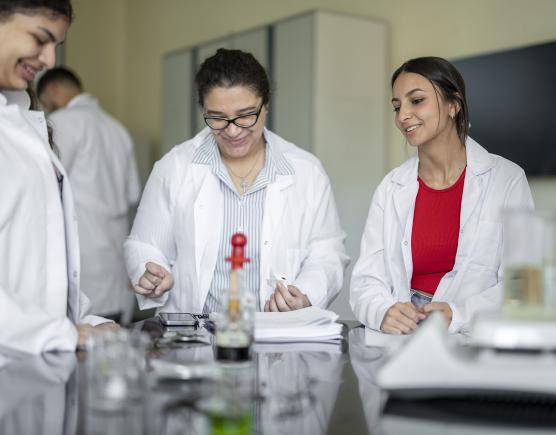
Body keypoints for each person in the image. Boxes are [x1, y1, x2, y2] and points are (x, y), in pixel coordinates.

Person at [125, 48, 349, 314]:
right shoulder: (175, 167)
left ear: (266, 105)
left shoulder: (306, 171)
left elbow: (327, 252)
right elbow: (144, 244)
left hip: (277, 337)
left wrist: (305, 294)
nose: (232, 130)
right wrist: (150, 270)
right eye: (217, 118)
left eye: (245, 115)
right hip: (195, 339)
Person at [350, 57, 534, 335]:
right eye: (397, 107)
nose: (402, 116)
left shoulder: (506, 179)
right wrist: (383, 311)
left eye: (417, 100)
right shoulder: (392, 187)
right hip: (403, 334)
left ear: (453, 104)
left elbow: (522, 283)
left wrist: (457, 315)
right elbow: (366, 281)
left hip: (473, 336)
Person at [0, 0, 117, 354]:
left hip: (36, 363)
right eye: (40, 38)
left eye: (56, 46)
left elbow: (39, 253)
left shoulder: (23, 120)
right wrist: (64, 334)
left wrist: (85, 320)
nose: (50, 60)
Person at [36, 67, 141, 322]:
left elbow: (45, 186)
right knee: (112, 341)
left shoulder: (61, 122)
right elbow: (133, 193)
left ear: (53, 90)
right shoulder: (117, 128)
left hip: (83, 255)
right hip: (116, 259)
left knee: (83, 342)